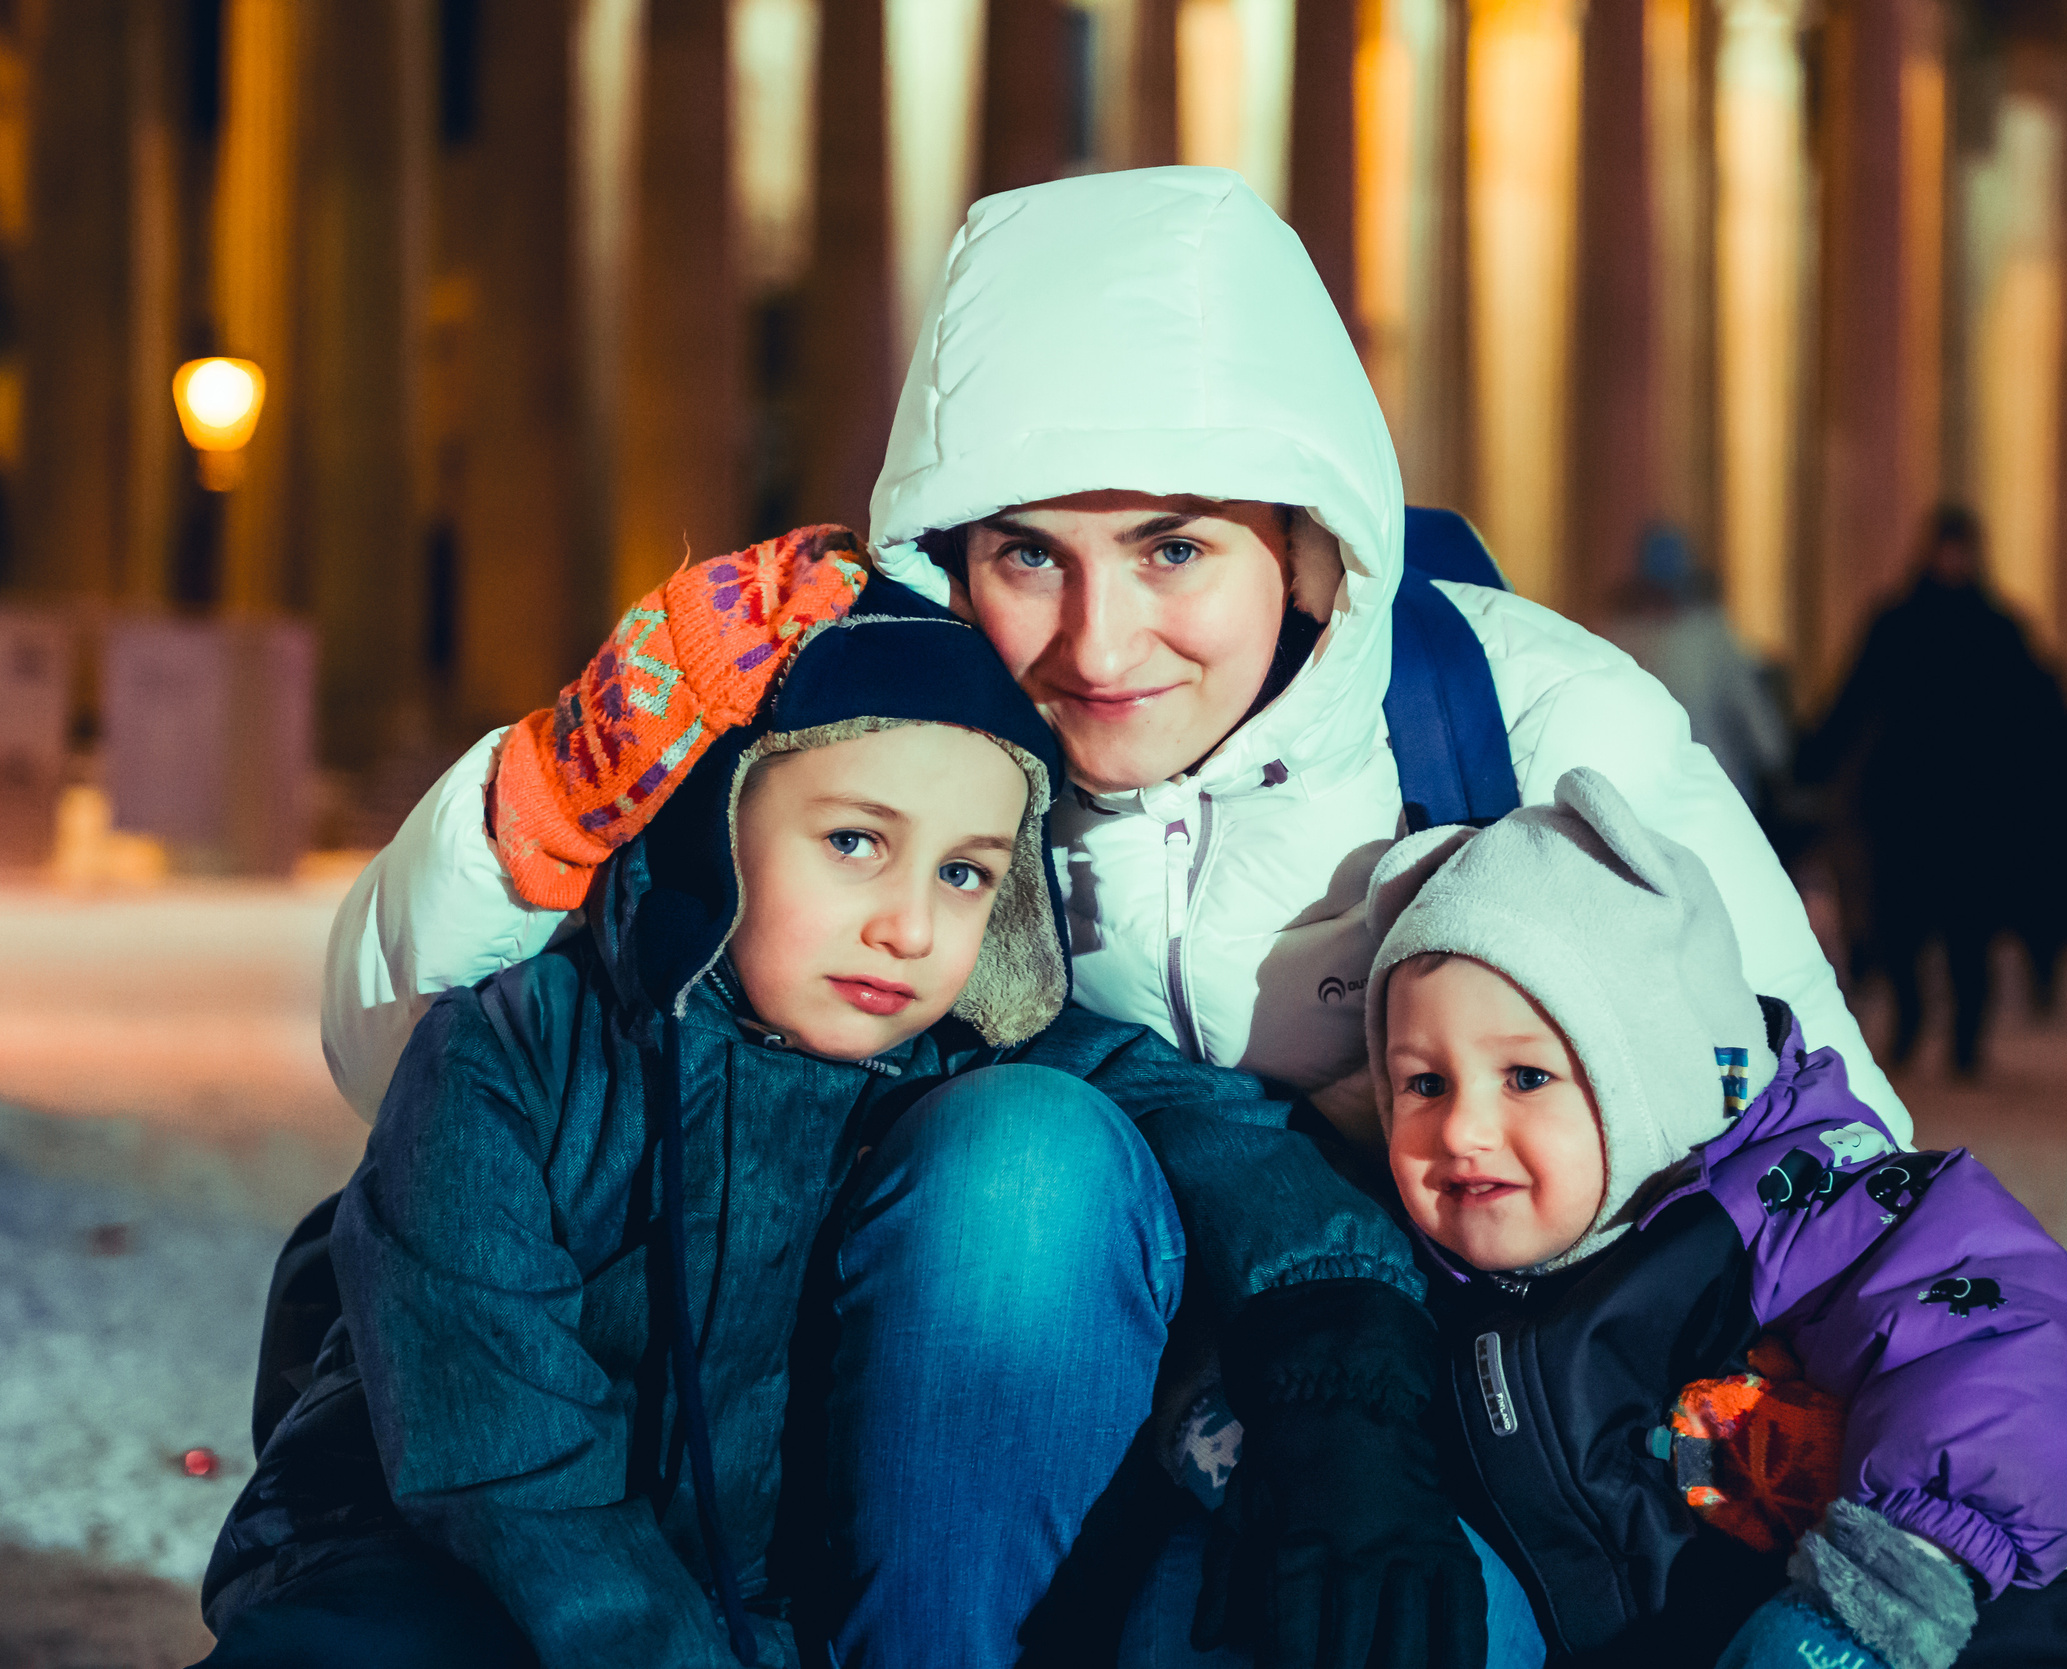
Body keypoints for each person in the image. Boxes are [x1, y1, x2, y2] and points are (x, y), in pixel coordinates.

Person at [322, 166, 1906, 1666]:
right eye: (1028, 554)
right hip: (978, 1420)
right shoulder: (911, 758)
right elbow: (415, 1068)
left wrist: (1905, 1533)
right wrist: (545, 801)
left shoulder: (1526, 722)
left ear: (1301, 536)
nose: (1099, 641)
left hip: (1436, 1418)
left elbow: (1832, 1157)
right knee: (1024, 1150)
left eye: (1173, 548)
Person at [196, 539, 1479, 1667]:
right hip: (443, 1562)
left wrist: (1339, 1368)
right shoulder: (511, 1057)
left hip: (761, 1590)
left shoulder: (967, 1050)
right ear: (723, 821)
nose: (911, 925)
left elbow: (1230, 1138)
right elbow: (492, 1455)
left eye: (969, 873)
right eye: (854, 841)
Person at [1361, 768, 2067, 1668]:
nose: (1460, 1128)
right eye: (1424, 1082)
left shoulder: (1787, 1212)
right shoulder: (1419, 1283)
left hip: (1864, 1623)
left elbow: (2006, 1323)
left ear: (1656, 1084)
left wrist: (1893, 1585)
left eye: (1527, 1077)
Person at [1799, 507, 2065, 1078]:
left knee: (1970, 928)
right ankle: (1912, 1020)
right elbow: (1854, 697)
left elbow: (2037, 710)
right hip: (1908, 801)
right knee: (1903, 925)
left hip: (1973, 804)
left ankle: (1966, 1040)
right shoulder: (1897, 622)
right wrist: (1813, 760)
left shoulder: (1997, 628)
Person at [1597, 525, 1791, 817]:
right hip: (1707, 795)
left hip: (1647, 799)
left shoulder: (1614, 636)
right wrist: (1778, 764)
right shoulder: (1710, 636)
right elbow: (1754, 715)